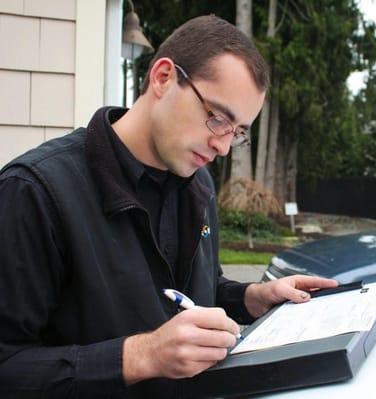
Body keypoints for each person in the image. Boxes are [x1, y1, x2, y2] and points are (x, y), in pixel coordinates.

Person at [0, 15, 337, 398]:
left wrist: (249, 299)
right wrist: (140, 356)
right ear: (162, 78)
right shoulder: (34, 193)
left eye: (238, 132)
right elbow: (7, 365)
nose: (223, 146)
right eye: (217, 118)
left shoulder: (199, 184)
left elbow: (192, 292)